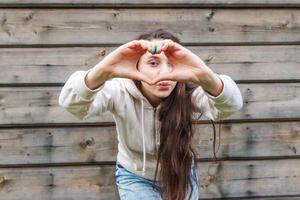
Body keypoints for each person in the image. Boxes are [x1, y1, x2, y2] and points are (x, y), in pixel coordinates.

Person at [58, 28, 243, 200]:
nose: (164, 72)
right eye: (153, 63)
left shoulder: (188, 92)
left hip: (180, 173)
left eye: (172, 64)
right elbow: (71, 103)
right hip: (135, 176)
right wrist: (104, 70)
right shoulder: (119, 90)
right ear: (137, 66)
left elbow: (231, 104)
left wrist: (204, 75)